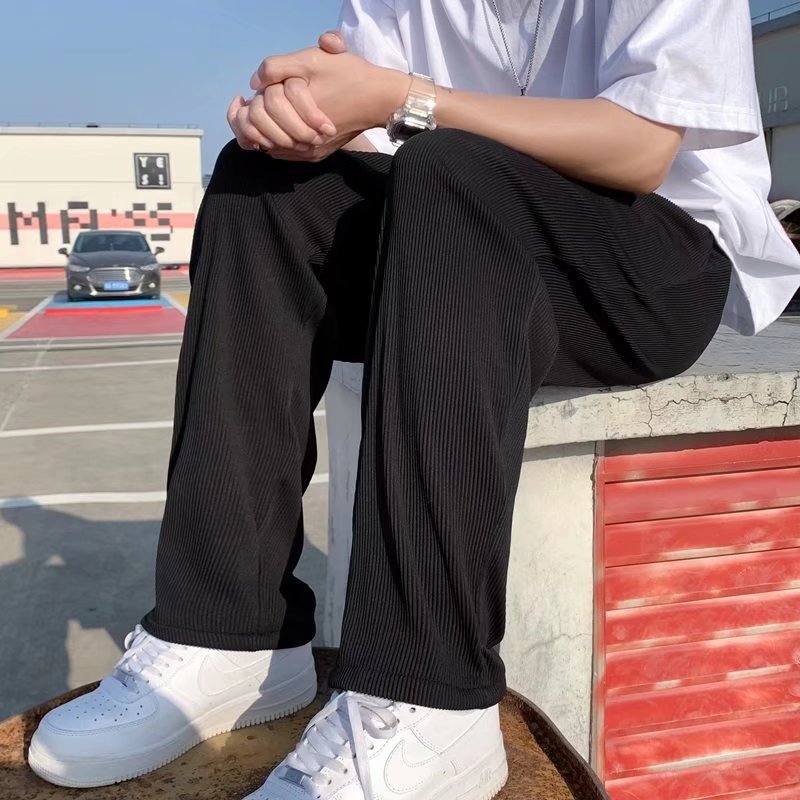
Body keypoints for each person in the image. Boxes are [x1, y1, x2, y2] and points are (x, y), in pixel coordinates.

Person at [29, 1, 800, 798]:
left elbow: (640, 149)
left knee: (453, 168)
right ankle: (231, 634)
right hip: (454, 235)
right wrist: (301, 115)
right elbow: (366, 130)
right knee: (259, 182)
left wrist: (403, 97)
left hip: (650, 267)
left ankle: (427, 700)